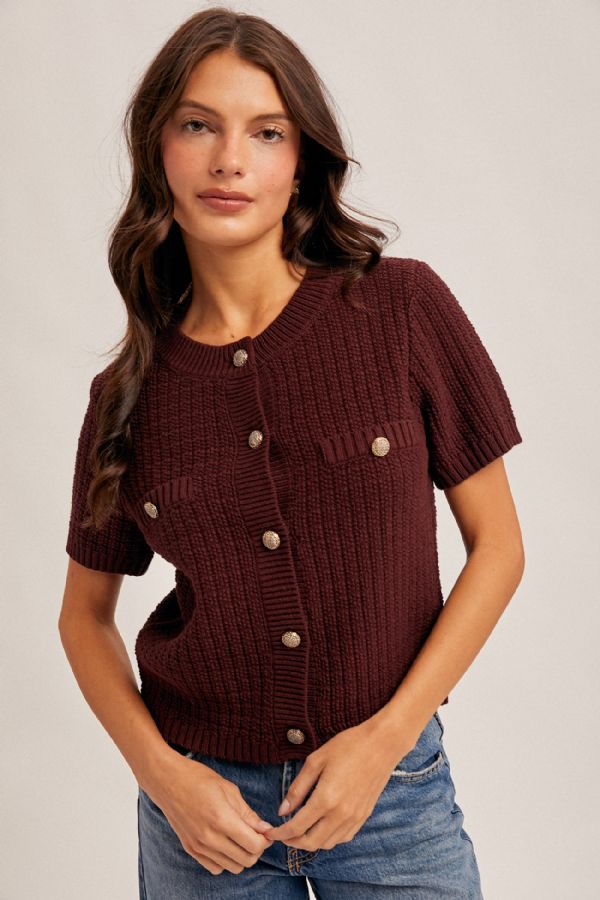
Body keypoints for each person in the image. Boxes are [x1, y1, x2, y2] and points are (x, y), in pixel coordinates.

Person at [59, 7, 524, 899]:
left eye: (266, 132)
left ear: (302, 159)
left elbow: (499, 547)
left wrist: (385, 740)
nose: (230, 160)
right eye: (199, 125)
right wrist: (163, 776)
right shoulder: (126, 393)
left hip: (391, 795)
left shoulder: (401, 310)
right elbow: (83, 616)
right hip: (202, 818)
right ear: (158, 149)